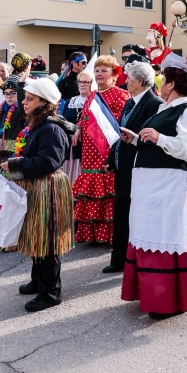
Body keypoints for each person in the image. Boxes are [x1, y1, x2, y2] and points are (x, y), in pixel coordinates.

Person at [119, 54, 187, 319]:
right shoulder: (166, 109)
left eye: (163, 79)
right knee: (150, 237)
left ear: (171, 85)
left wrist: (158, 137)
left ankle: (167, 299)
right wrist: (137, 140)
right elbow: (160, 143)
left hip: (173, 186)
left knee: (166, 239)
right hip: (154, 188)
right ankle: (151, 293)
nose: (160, 84)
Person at [0, 78, 73, 312]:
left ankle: (51, 292)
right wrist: (7, 157)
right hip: (37, 187)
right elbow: (30, 153)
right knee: (36, 236)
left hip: (47, 188)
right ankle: (39, 281)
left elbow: (48, 161)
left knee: (46, 240)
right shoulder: (38, 125)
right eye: (24, 98)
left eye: (29, 99)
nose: (23, 102)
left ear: (43, 103)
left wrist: (16, 164)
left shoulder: (51, 128)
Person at [103, 61, 163, 273]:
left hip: (139, 169)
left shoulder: (154, 104)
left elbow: (147, 139)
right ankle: (119, 259)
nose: (125, 82)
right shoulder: (130, 102)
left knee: (137, 216)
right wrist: (112, 159)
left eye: (128, 78)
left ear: (139, 80)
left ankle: (135, 259)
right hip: (123, 168)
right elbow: (120, 135)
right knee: (121, 213)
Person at [71, 55, 130, 244]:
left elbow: (122, 121)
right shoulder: (92, 96)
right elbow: (84, 117)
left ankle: (110, 234)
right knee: (91, 188)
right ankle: (92, 234)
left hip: (106, 149)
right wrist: (78, 128)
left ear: (114, 75)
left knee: (107, 188)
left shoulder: (120, 94)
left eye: (104, 70)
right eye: (97, 70)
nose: (99, 74)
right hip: (89, 150)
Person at [61, 71, 93, 185]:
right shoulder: (71, 101)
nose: (82, 85)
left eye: (86, 82)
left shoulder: (95, 102)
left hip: (86, 144)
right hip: (70, 144)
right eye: (80, 82)